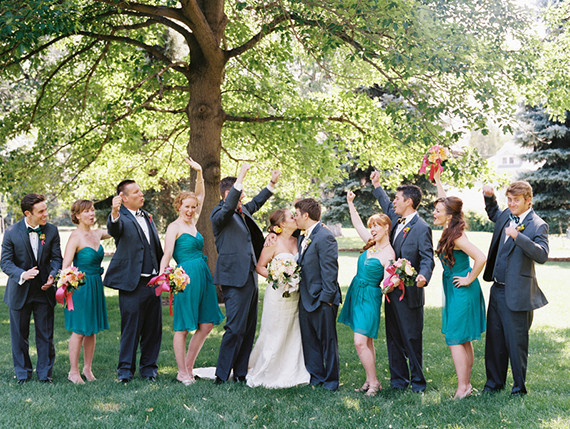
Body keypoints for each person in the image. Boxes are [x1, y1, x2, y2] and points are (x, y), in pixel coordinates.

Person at [211, 163, 280, 383]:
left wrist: (271, 184)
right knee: (234, 327)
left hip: (250, 276)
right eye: (239, 193)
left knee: (248, 327)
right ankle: (222, 375)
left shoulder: (242, 211)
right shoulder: (219, 214)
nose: (243, 197)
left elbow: (257, 202)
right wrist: (241, 175)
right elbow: (229, 206)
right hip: (233, 277)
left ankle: (240, 372)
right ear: (228, 193)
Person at [159, 158, 224, 386]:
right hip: (185, 278)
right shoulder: (174, 227)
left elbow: (201, 195)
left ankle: (188, 367)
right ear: (178, 206)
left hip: (203, 275)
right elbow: (167, 253)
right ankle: (181, 372)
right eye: (186, 206)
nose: (190, 210)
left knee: (206, 324)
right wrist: (162, 276)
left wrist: (199, 172)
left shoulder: (193, 223)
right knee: (184, 326)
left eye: (193, 207)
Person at [481, 181, 549, 395]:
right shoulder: (505, 216)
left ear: (528, 200)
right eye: (509, 199)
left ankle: (519, 388)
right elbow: (493, 212)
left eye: (516, 200)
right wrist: (489, 196)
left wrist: (517, 236)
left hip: (518, 293)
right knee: (494, 340)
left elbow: (542, 255)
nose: (511, 204)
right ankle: (494, 384)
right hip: (497, 289)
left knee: (516, 343)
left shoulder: (538, 225)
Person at [370, 170, 435, 393]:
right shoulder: (396, 220)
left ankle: (418, 382)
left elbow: (427, 258)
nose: (394, 202)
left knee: (411, 338)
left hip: (410, 293)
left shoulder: (422, 228)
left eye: (397, 198)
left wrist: (423, 276)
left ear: (409, 202)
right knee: (394, 337)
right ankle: (398, 381)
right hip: (391, 292)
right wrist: (377, 186)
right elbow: (386, 205)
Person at [433, 171, 486, 399]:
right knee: (462, 339)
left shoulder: (456, 236)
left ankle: (463, 387)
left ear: (449, 215)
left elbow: (481, 257)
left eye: (438, 211)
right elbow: (445, 202)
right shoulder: (451, 228)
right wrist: (438, 181)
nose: (434, 213)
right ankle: (466, 385)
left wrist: (469, 278)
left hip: (462, 289)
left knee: (455, 338)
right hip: (455, 289)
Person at [104, 180, 164, 383]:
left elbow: (154, 246)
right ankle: (125, 371)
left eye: (140, 191)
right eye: (136, 192)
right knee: (131, 329)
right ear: (124, 198)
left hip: (153, 282)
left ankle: (149, 369)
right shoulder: (119, 217)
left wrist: (162, 273)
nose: (141, 194)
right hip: (132, 283)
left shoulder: (147, 216)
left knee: (153, 330)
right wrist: (114, 211)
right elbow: (114, 229)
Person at [1, 193, 62, 384]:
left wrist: (53, 275)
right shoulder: (11, 232)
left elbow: (57, 258)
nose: (46, 214)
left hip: (44, 290)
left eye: (46, 210)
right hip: (19, 291)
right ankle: (23, 374)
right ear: (28, 213)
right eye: (41, 211)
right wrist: (22, 274)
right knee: (19, 336)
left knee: (46, 335)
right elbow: (5, 262)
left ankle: (45, 374)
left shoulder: (52, 231)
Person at [338, 191, 395, 396]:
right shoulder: (371, 242)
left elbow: (388, 281)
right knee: (367, 341)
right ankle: (370, 380)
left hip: (370, 297)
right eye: (371, 226)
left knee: (360, 341)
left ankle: (374, 383)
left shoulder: (389, 253)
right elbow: (357, 224)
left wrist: (392, 282)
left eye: (376, 226)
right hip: (356, 294)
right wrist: (350, 203)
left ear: (386, 227)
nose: (372, 230)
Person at [247, 209, 310, 388]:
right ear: (282, 224)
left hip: (295, 295)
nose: (295, 218)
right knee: (274, 330)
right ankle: (268, 368)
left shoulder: (300, 239)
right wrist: (277, 277)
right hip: (277, 295)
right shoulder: (272, 242)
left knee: (292, 331)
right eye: (291, 217)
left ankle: (292, 369)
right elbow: (260, 266)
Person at [294, 198, 342, 391]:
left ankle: (331, 382)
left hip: (323, 299)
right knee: (310, 340)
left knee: (328, 342)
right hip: (305, 297)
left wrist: (326, 300)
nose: (295, 218)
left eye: (297, 215)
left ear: (306, 215)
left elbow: (330, 272)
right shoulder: (303, 235)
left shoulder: (325, 237)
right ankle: (316, 376)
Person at [62, 199, 111, 384]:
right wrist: (70, 282)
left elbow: (117, 229)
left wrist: (116, 210)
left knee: (91, 330)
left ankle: (87, 369)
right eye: (86, 211)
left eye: (92, 210)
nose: (91, 214)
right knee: (80, 330)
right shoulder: (75, 237)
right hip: (80, 288)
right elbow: (65, 266)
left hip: (96, 284)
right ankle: (73, 371)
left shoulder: (98, 233)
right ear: (77, 216)